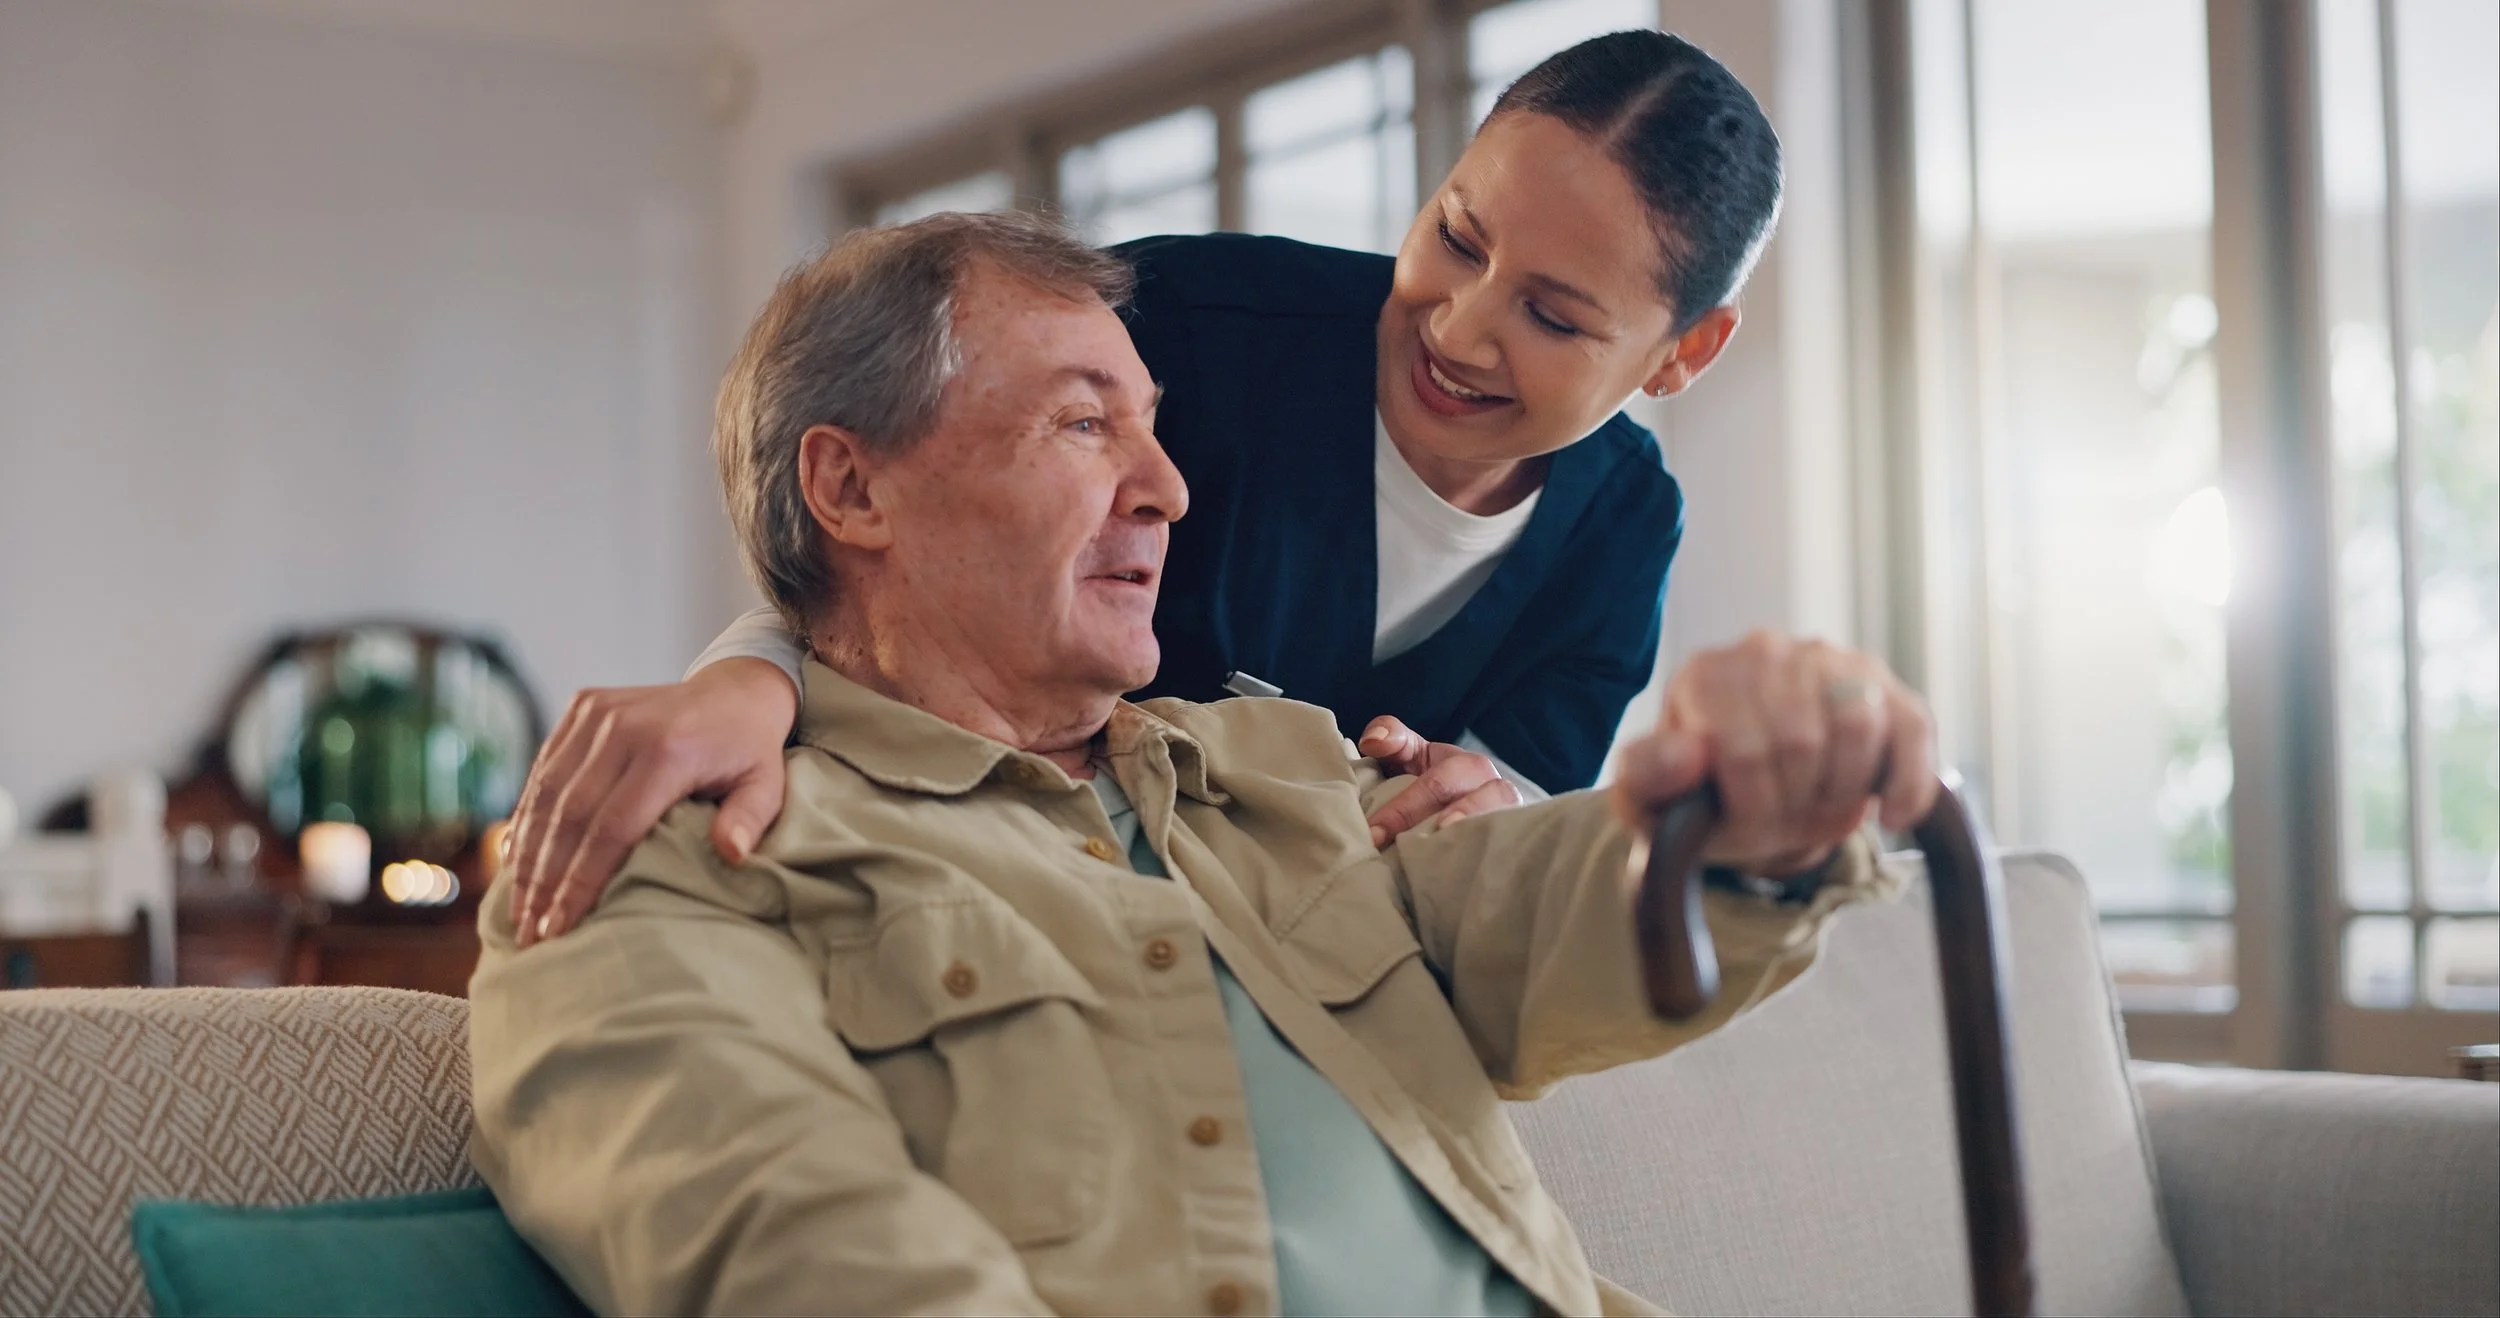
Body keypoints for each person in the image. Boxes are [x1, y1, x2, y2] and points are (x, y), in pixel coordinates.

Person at [470, 210, 1932, 1317]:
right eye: (1085, 424)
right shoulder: (661, 845)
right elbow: (787, 1242)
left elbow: (1540, 916)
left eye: (1155, 429)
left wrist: (1744, 812)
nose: (1168, 489)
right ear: (852, 486)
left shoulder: (1279, 763)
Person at [503, 29, 1788, 946]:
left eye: (1553, 317)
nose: (1456, 328)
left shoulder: (1621, 526)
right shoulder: (1187, 324)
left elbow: (1502, 849)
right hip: (1002, 905)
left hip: (1289, 979)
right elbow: (883, 500)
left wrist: (1500, 812)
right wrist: (750, 677)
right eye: (1455, 235)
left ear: (1681, 354)